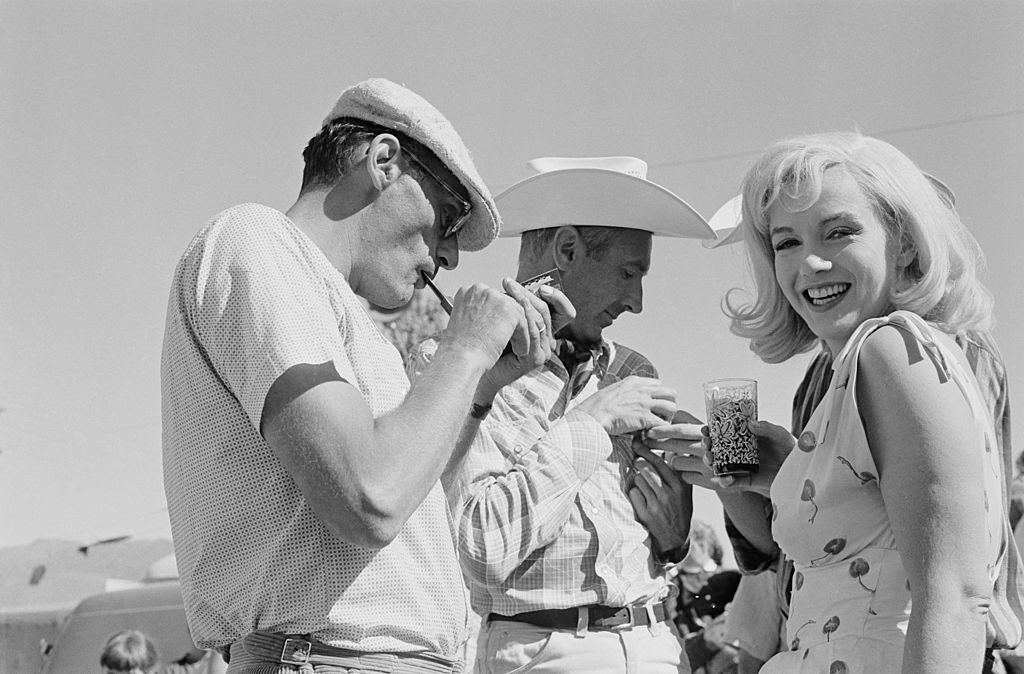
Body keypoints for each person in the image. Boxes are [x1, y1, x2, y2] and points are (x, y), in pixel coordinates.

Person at [161, 78, 571, 673]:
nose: (450, 256)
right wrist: (464, 350)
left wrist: (478, 387)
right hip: (329, 660)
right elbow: (370, 497)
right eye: (449, 218)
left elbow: (407, 496)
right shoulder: (258, 241)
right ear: (384, 162)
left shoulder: (346, 316)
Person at [651, 131, 1017, 672]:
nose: (811, 263)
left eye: (838, 233)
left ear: (908, 243)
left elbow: (956, 598)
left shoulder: (890, 349)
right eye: (786, 242)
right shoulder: (856, 362)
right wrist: (779, 473)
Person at [429, 156, 715, 673]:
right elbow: (482, 549)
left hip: (656, 643)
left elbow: (658, 540)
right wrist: (591, 424)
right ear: (566, 250)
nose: (638, 300)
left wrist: (674, 539)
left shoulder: (631, 369)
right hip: (546, 654)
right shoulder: (454, 365)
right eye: (629, 272)